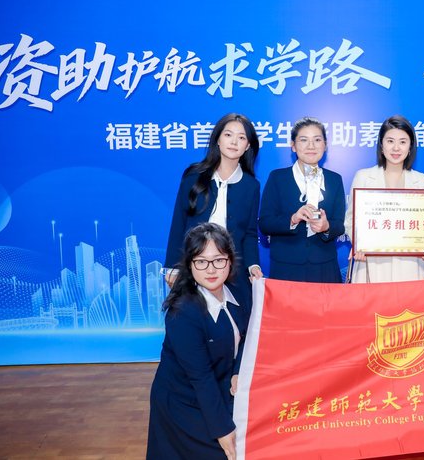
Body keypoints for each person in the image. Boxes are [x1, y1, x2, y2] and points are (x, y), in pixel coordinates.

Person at [147, 223, 249, 460]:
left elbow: (247, 336)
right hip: (183, 402)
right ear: (190, 264)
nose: (211, 269)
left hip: (219, 392)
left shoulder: (239, 292)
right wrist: (222, 429)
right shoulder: (183, 312)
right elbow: (201, 378)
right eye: (201, 261)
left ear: (230, 261)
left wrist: (237, 371)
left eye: (219, 260)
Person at [164, 112, 262, 309]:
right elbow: (178, 222)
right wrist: (173, 266)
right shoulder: (194, 176)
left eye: (241, 137)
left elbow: (250, 233)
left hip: (233, 270)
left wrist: (253, 265)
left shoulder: (251, 186)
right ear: (218, 139)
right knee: (191, 318)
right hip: (194, 265)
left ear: (248, 146)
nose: (234, 142)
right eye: (228, 135)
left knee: (234, 322)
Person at [344, 115, 424, 283]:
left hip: (409, 264)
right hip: (371, 260)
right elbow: (351, 220)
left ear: (410, 147)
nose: (396, 148)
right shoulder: (363, 177)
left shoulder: (421, 180)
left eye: (403, 142)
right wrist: (359, 243)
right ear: (381, 145)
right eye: (390, 141)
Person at [259, 117, 346, 282]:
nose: (311, 146)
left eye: (317, 140)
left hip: (325, 268)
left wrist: (326, 226)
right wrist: (293, 219)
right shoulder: (278, 178)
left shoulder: (335, 179)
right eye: (304, 140)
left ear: (325, 145)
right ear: (293, 145)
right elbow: (265, 223)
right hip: (286, 268)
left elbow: (340, 225)